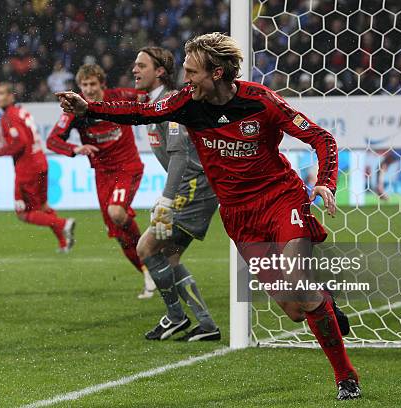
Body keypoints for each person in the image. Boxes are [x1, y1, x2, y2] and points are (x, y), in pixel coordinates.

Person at [57, 33, 360, 400]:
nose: (185, 80)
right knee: (296, 310)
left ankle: (345, 377)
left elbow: (321, 138)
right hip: (239, 216)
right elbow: (139, 113)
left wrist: (326, 182)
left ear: (217, 73)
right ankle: (323, 301)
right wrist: (88, 109)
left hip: (280, 199)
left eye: (192, 72)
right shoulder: (186, 103)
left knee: (297, 278)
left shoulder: (260, 101)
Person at [129, 47, 220, 341]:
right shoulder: (153, 104)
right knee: (169, 255)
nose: (135, 70)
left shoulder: (171, 103)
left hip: (195, 188)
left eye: (141, 65)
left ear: (159, 72)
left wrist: (167, 199)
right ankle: (205, 324)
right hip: (190, 187)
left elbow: (180, 155)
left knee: (146, 248)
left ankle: (175, 316)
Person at [47, 64, 156, 299]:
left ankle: (151, 247)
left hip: (127, 166)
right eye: (84, 85)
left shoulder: (120, 97)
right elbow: (52, 141)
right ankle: (148, 270)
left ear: (102, 84)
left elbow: (151, 95)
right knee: (118, 232)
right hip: (103, 174)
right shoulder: (74, 111)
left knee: (117, 213)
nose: (89, 89)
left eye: (93, 84)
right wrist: (76, 148)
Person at [0, 82, 75, 252]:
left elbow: (20, 143)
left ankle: (64, 224)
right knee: (42, 207)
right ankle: (64, 243)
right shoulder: (20, 111)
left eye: (2, 93)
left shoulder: (9, 117)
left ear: (11, 96)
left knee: (23, 213)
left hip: (27, 169)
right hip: (40, 162)